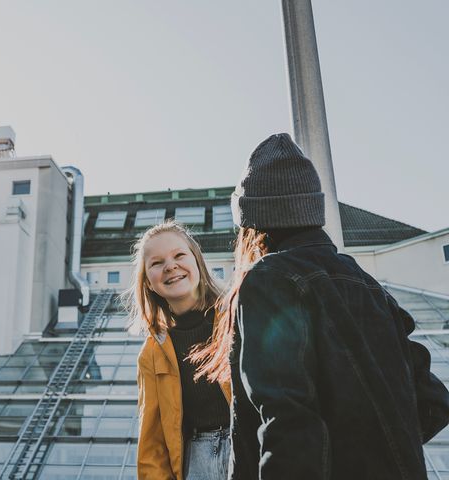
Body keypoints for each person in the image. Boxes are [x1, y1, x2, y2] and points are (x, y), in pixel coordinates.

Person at [191, 133, 449, 479]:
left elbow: (287, 422)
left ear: (250, 223)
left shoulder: (268, 281)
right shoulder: (366, 283)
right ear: (313, 209)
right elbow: (433, 399)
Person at [129, 221, 232, 480]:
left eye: (179, 255)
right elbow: (152, 441)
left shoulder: (237, 317)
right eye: (156, 263)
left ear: (197, 261)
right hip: (195, 460)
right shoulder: (151, 354)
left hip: (247, 446)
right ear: (149, 283)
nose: (170, 266)